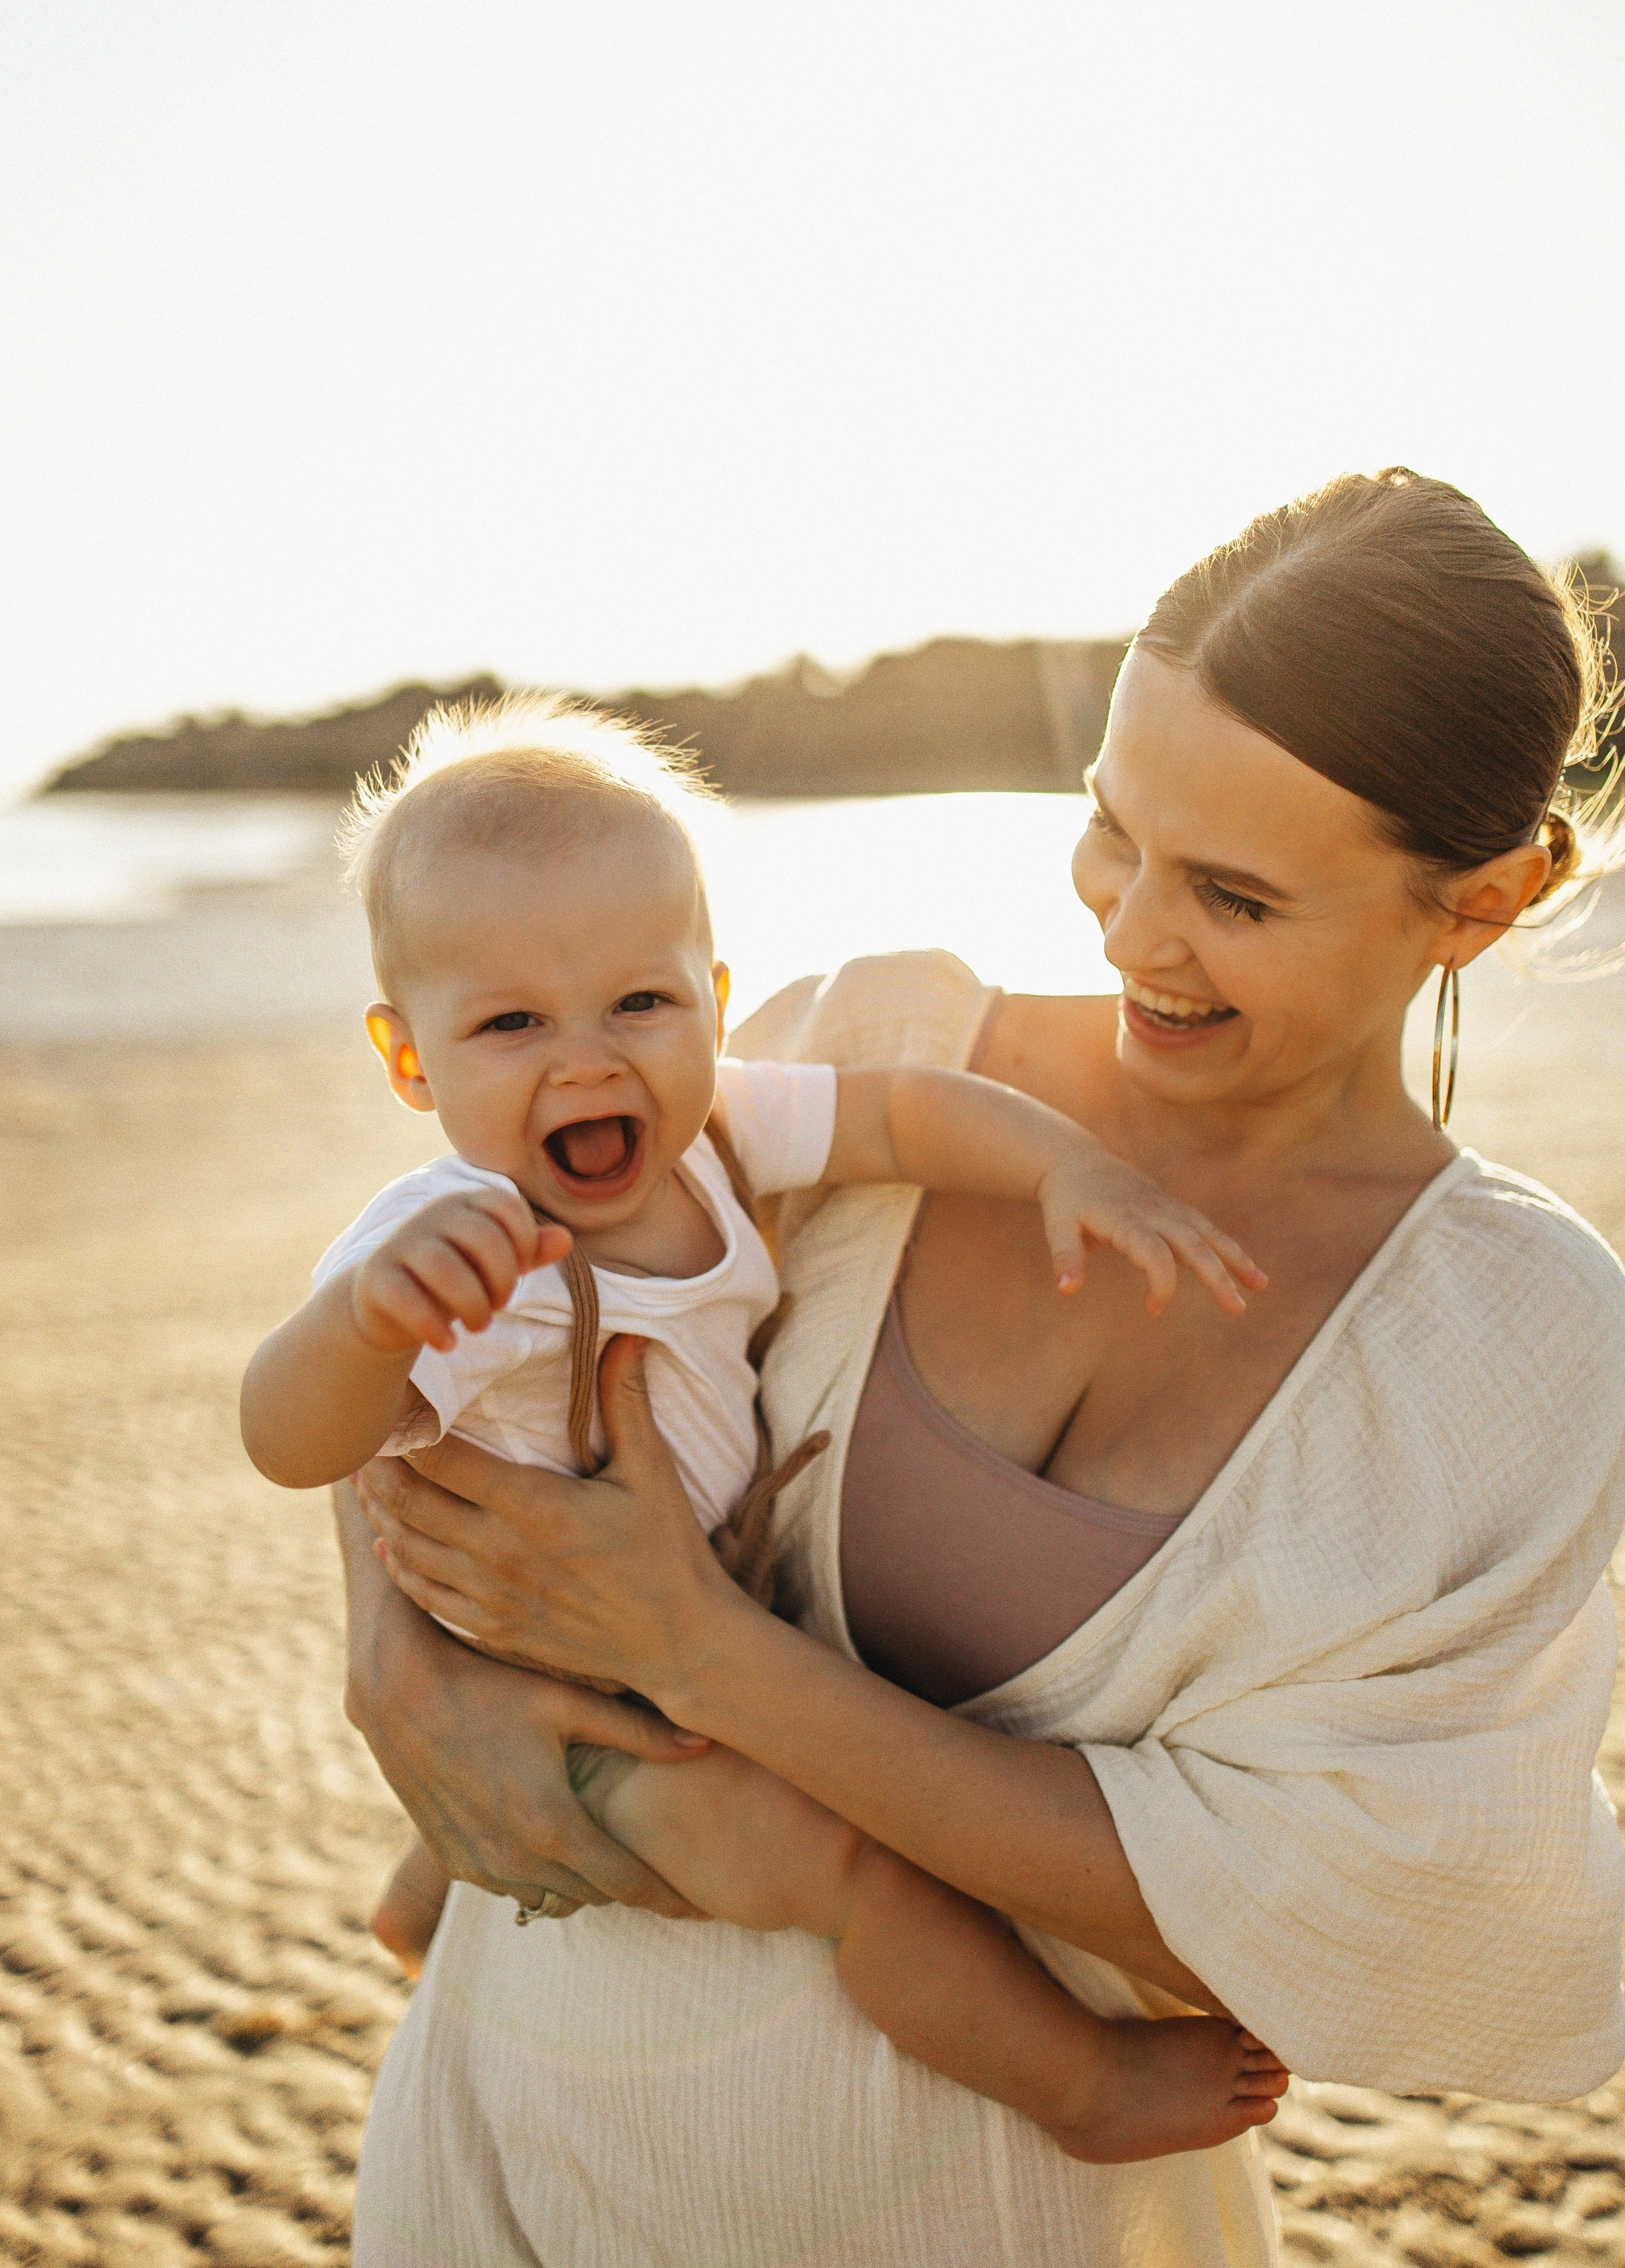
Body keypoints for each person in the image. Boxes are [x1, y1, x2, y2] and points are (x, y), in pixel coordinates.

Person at [342, 470, 1625, 2267]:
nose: (1127, 932)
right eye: (1112, 833)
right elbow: (470, 1302)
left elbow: (1305, 1914)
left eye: (1234, 899)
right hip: (518, 2144)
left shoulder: (1513, 1344)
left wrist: (697, 1649)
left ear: (1485, 899)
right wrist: (388, 1657)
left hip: (1024, 2217)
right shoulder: (887, 1049)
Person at [239, 693, 1280, 2161]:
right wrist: (358, 1323)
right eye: (512, 1023)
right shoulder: (449, 1238)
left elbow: (904, 1115)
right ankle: (1077, 2088)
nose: (590, 1062)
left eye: (638, 1004)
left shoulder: (718, 1130)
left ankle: (420, 1902)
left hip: (684, 1606)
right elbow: (287, 1439)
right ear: (411, 1062)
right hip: (583, 1693)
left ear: (713, 1000)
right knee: (846, 1866)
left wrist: (1064, 1167)